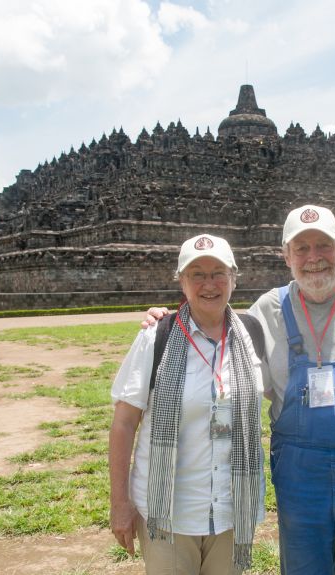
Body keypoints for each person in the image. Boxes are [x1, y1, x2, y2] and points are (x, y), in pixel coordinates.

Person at [145, 205, 335, 575]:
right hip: (300, 476)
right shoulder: (264, 312)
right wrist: (167, 320)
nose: (313, 258)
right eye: (301, 248)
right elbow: (211, 323)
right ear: (286, 255)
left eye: (323, 245)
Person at [109, 233, 266, 574]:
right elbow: (123, 424)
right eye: (197, 274)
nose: (209, 284)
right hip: (167, 514)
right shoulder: (156, 336)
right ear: (181, 282)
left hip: (231, 510)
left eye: (218, 273)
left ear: (234, 279)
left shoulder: (252, 333)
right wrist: (120, 503)